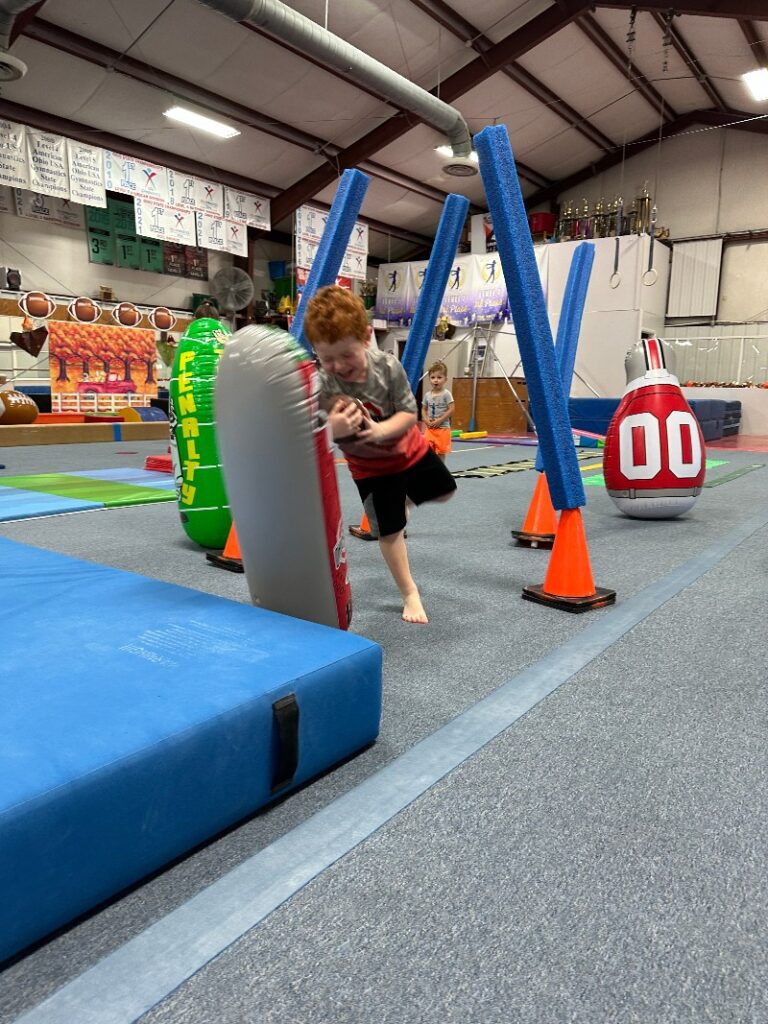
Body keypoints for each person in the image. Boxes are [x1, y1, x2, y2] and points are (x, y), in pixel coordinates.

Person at [303, 285, 456, 625]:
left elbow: (407, 414)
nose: (338, 366)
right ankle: (409, 592)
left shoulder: (387, 367)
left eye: (346, 355)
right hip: (371, 469)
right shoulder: (323, 382)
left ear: (366, 337)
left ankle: (401, 505)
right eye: (326, 358)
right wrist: (334, 428)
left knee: (445, 491)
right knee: (389, 532)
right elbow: (309, 432)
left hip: (409, 451)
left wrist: (378, 431)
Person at [422, 361, 454, 462]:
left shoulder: (446, 394)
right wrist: (426, 420)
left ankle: (441, 474)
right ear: (429, 379)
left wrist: (440, 420)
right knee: (427, 451)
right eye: (433, 377)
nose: (436, 380)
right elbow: (423, 409)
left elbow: (452, 409)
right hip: (430, 429)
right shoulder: (427, 395)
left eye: (439, 378)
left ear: (445, 379)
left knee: (440, 454)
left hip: (442, 429)